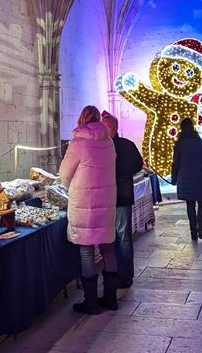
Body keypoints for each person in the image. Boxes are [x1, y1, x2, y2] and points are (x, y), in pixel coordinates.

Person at [59, 105, 118, 314]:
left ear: (81, 119)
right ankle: (111, 298)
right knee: (107, 248)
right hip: (106, 203)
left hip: (85, 204)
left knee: (86, 251)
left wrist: (73, 186)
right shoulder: (109, 142)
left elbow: (64, 175)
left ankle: (91, 302)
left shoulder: (78, 143)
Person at [101, 111, 143, 289]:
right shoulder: (101, 146)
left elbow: (137, 164)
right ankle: (115, 272)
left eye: (107, 127)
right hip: (109, 197)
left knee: (123, 236)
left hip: (120, 196)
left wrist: (120, 171)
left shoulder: (123, 145)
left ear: (114, 128)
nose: (104, 130)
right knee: (112, 238)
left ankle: (125, 275)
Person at [171, 118, 202, 240]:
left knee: (190, 204)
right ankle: (200, 225)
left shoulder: (179, 144)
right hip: (200, 176)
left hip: (184, 177)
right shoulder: (201, 143)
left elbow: (175, 163)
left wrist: (174, 178)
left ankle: (193, 232)